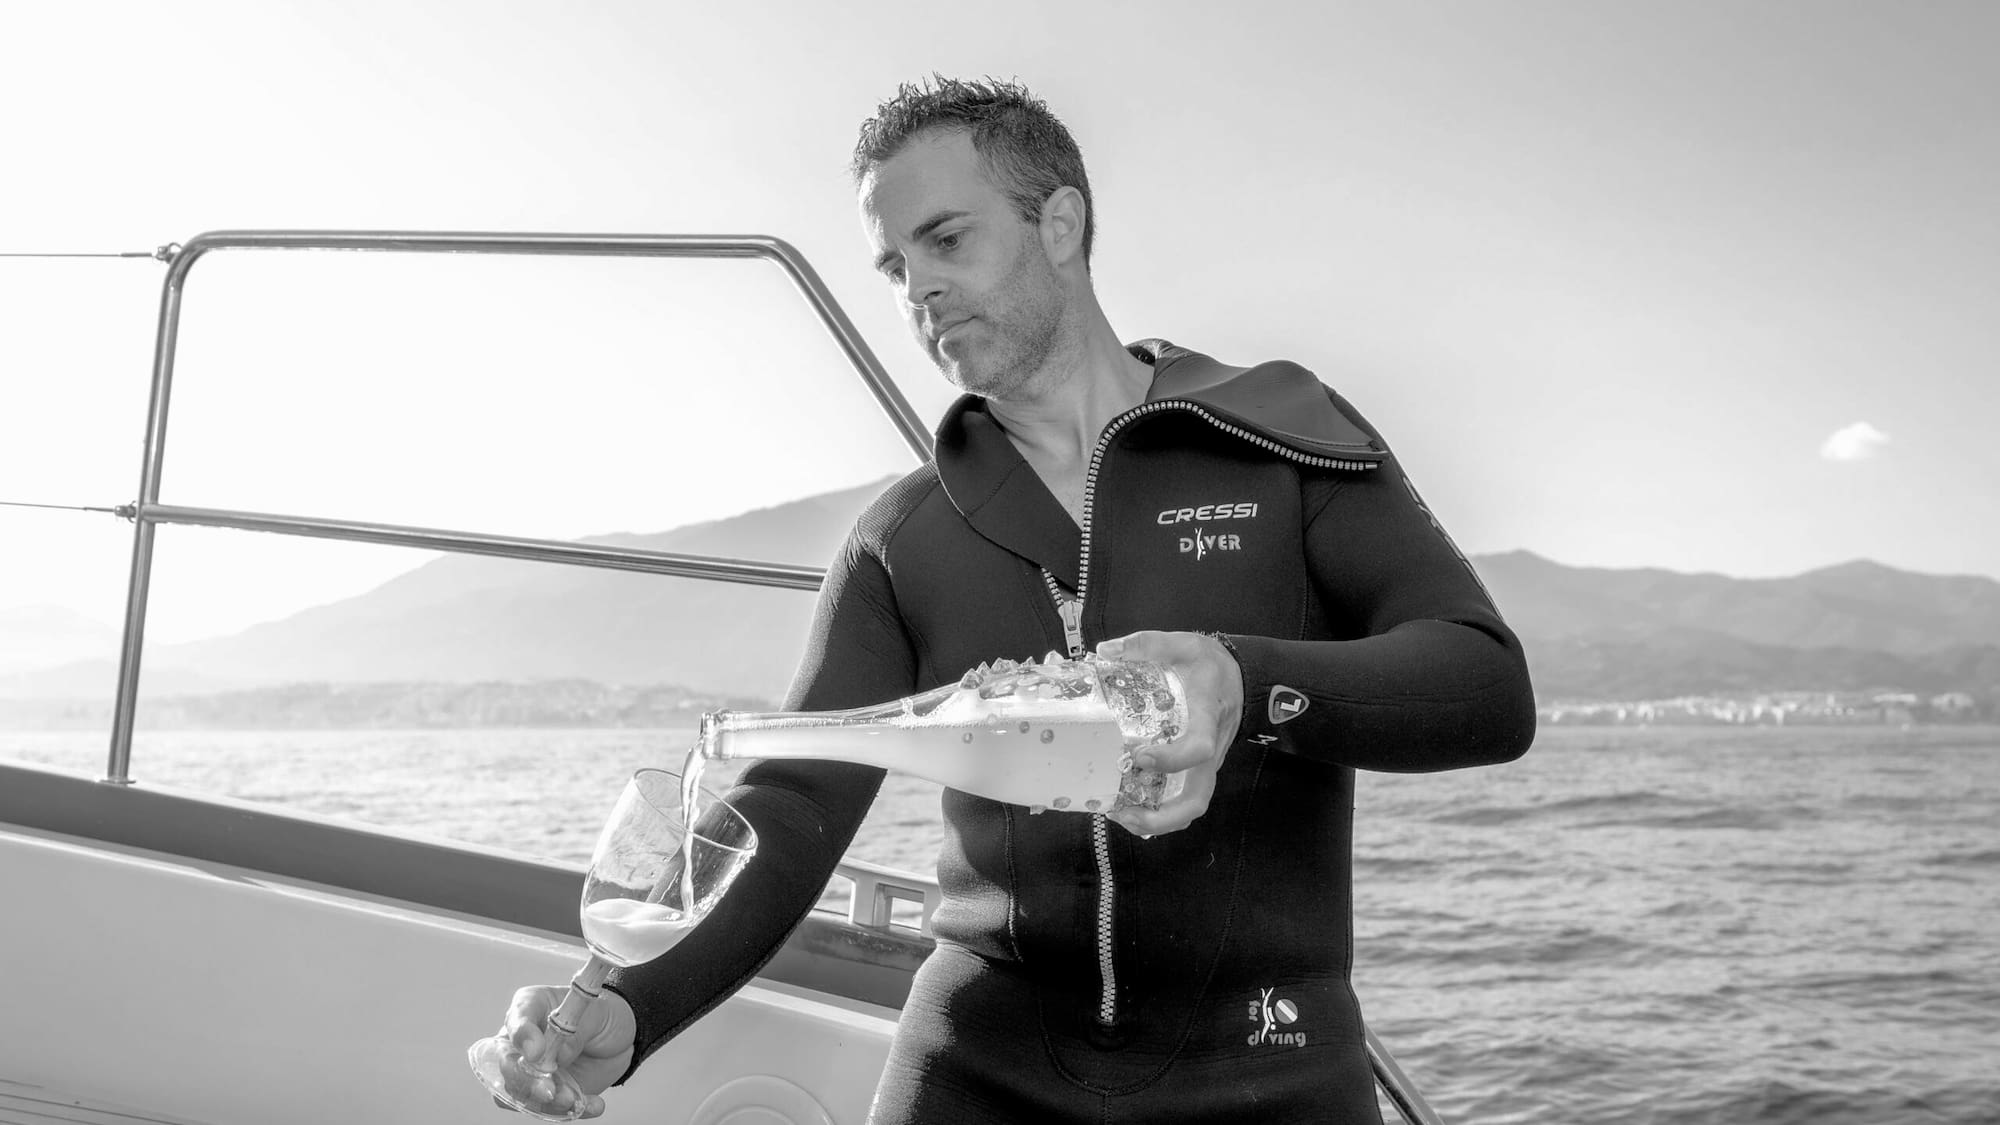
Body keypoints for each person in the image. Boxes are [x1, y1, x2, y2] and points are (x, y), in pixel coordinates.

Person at [496, 76, 1535, 1123]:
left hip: (1268, 1060)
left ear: (1061, 223)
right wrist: (635, 1007)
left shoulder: (1277, 439)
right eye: (896, 266)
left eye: (947, 241)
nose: (918, 292)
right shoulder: (904, 534)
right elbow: (799, 799)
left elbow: (1483, 684)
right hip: (977, 1063)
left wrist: (1241, 683)